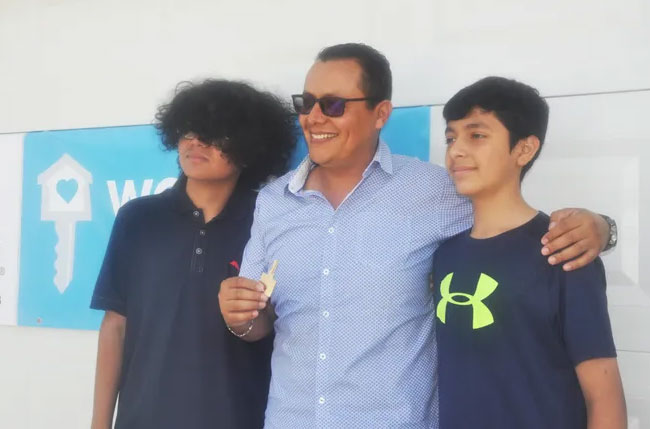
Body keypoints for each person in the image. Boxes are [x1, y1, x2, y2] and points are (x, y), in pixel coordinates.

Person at [218, 43, 615, 428]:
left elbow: (509, 219)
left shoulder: (436, 190)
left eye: (333, 104)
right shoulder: (273, 202)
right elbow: (258, 321)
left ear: (380, 113)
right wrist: (240, 317)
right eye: (306, 103)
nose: (314, 117)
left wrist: (602, 228)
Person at [90, 79, 296, 429]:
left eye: (216, 134)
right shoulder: (137, 219)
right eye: (188, 130)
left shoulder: (272, 223)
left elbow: (287, 325)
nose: (196, 142)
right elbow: (115, 327)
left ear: (251, 147)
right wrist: (99, 424)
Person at [432, 76, 626, 428]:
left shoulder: (563, 251)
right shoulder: (444, 255)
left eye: (477, 135)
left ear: (524, 149)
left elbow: (604, 397)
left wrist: (603, 227)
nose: (456, 150)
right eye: (451, 138)